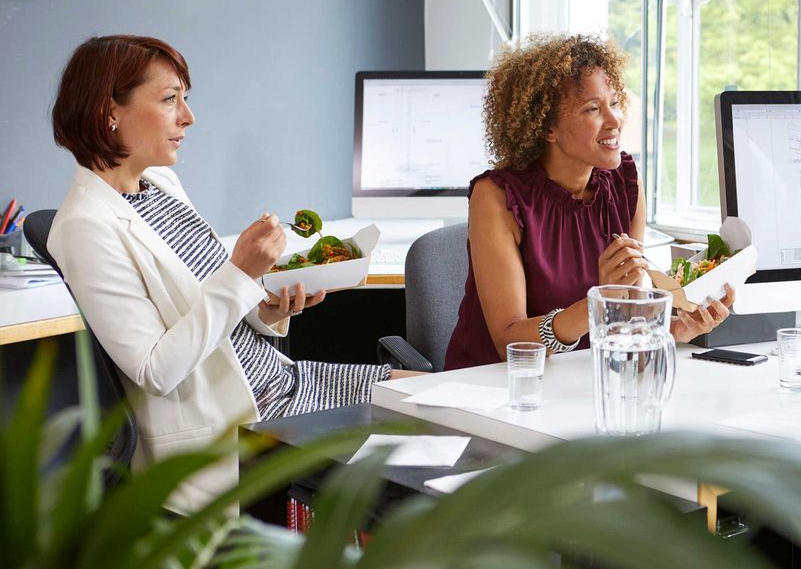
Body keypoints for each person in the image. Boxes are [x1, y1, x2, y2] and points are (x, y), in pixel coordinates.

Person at [47, 35, 404, 514]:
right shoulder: (84, 227)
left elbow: (211, 303)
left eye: (185, 100)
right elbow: (157, 369)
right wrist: (240, 272)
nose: (188, 118)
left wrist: (266, 306)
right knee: (425, 434)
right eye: (170, 99)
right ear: (109, 112)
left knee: (422, 392)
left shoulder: (159, 184)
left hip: (286, 382)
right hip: (247, 421)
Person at [444, 33, 734, 370]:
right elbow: (509, 341)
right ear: (547, 127)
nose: (615, 121)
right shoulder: (496, 197)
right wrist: (601, 298)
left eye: (613, 103)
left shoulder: (624, 182)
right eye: (593, 108)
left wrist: (671, 327)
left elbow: (624, 321)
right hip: (490, 388)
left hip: (580, 381)